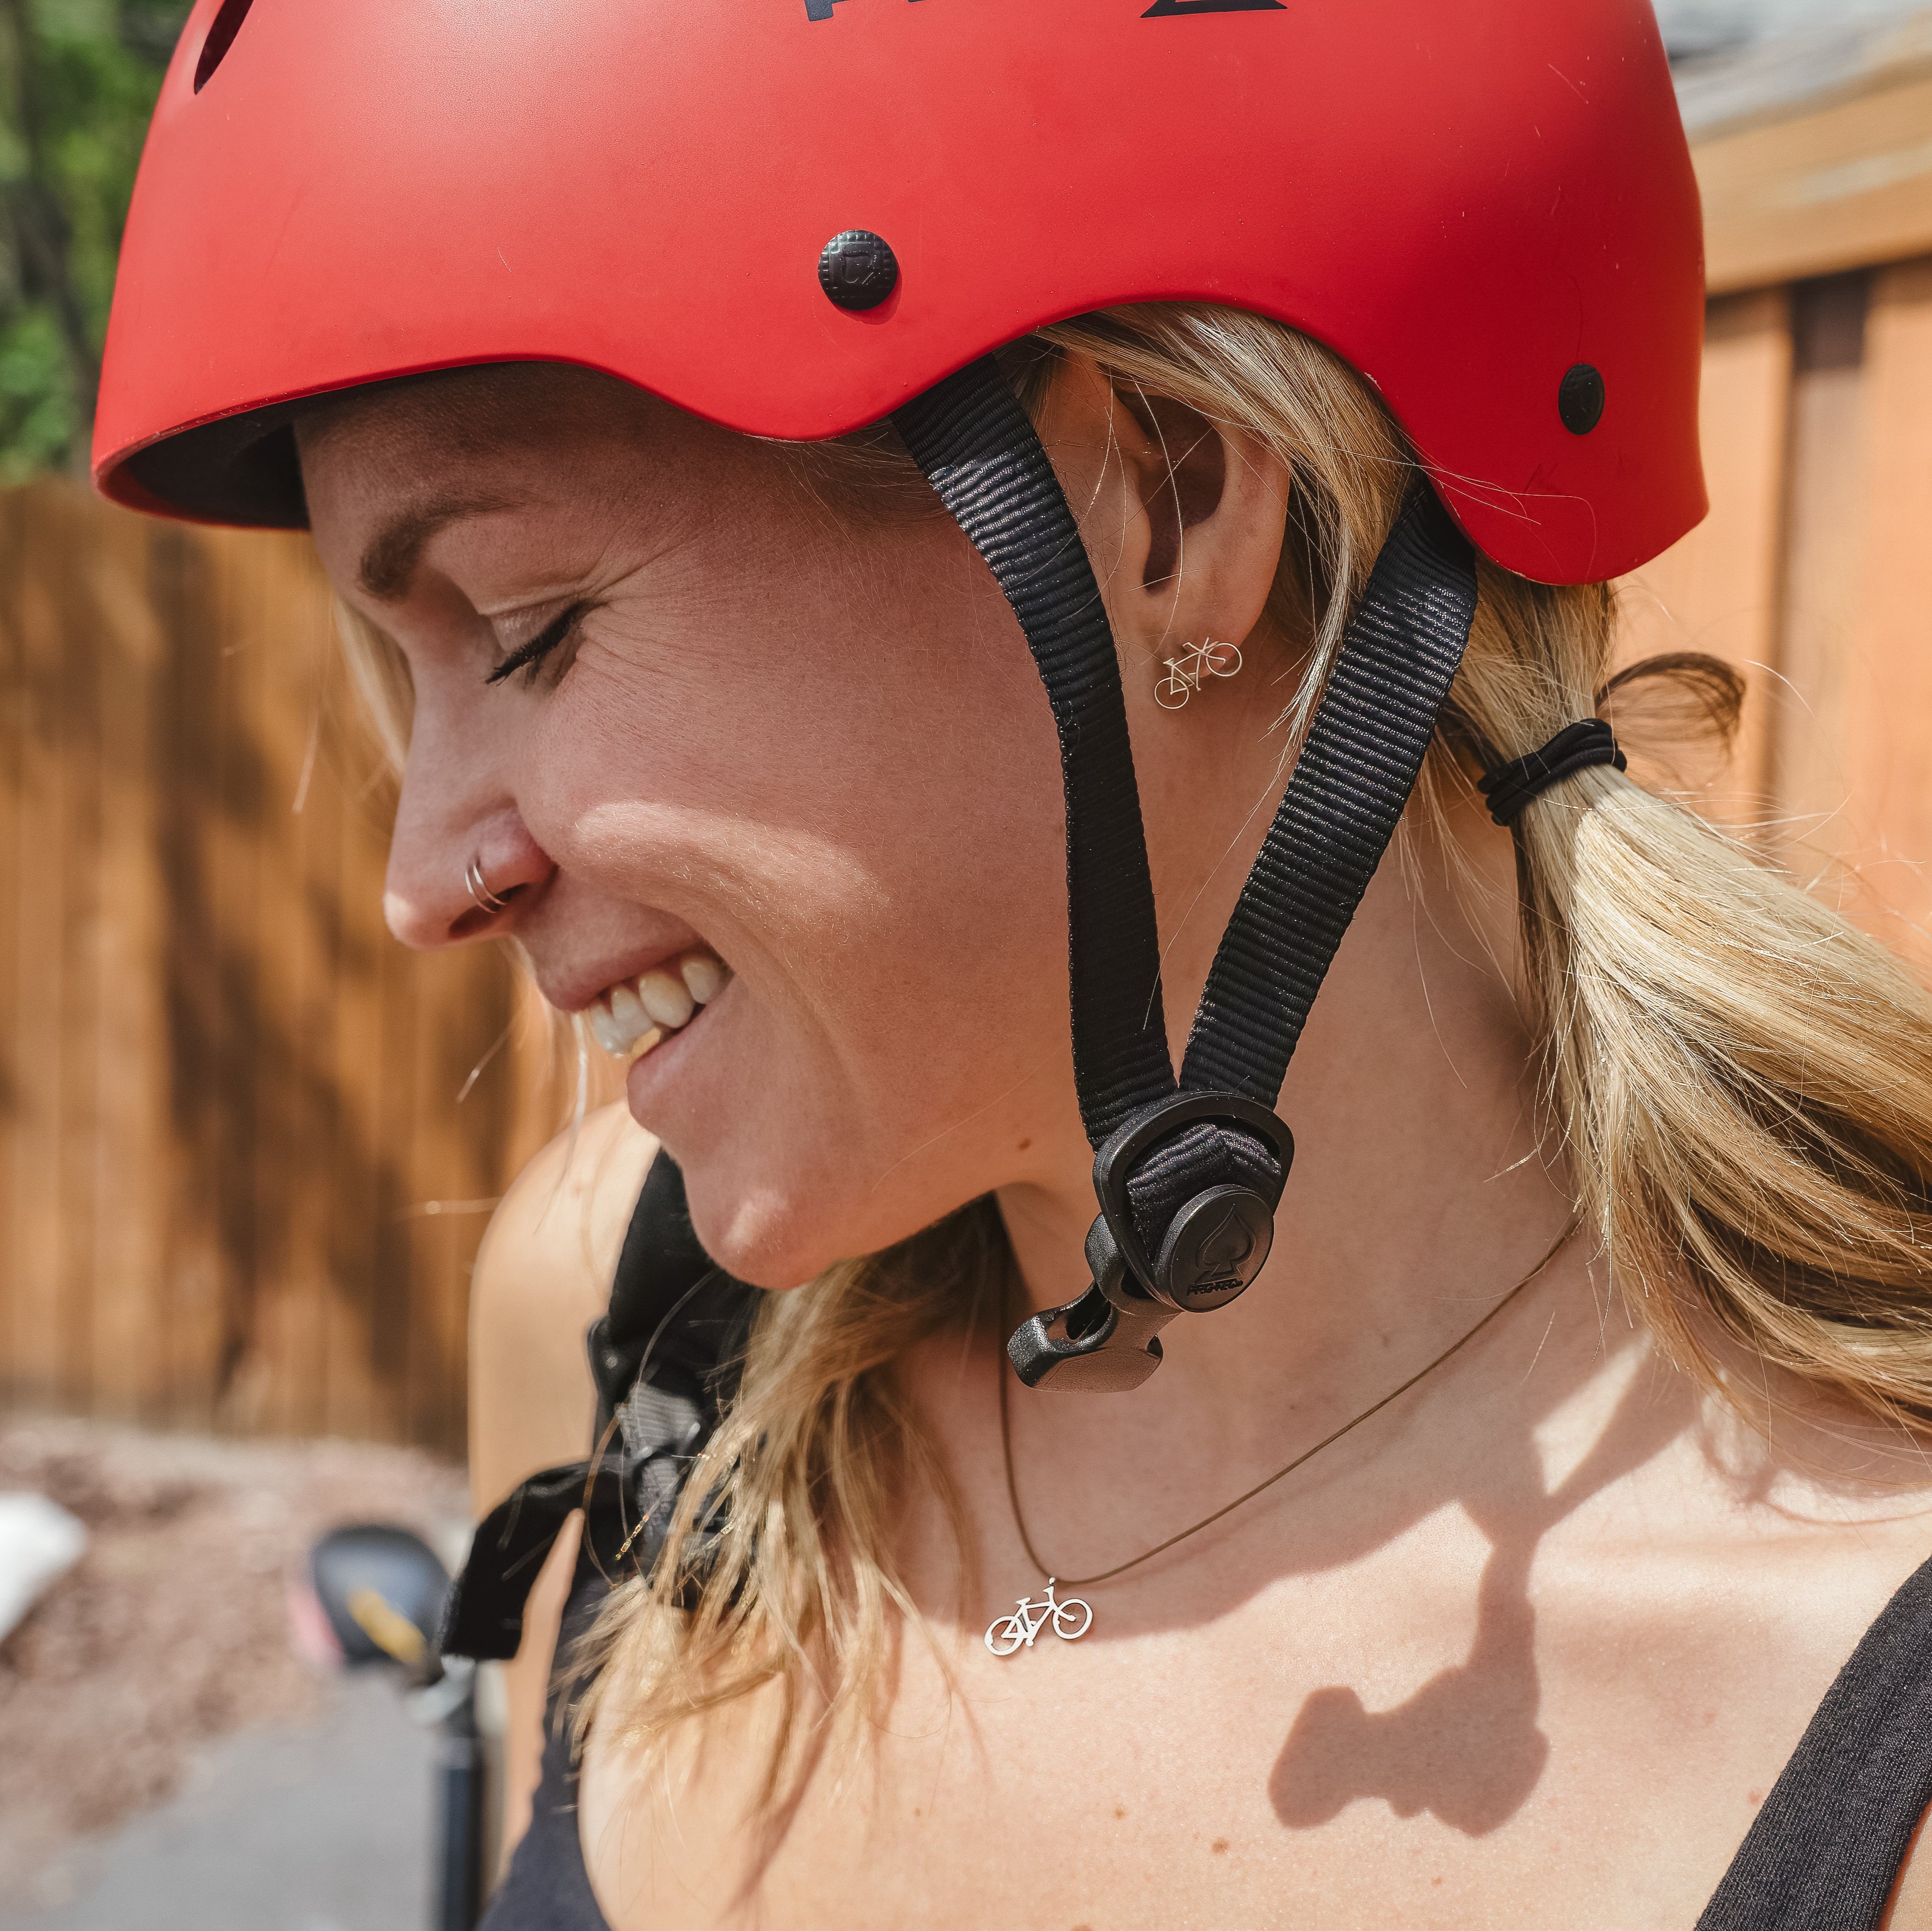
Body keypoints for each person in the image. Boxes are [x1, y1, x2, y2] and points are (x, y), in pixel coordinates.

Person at [91, 3, 1932, 1925]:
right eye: (411, 684)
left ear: (1174, 497)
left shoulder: (1869, 1776)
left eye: (530, 628)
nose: (423, 887)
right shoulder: (632, 1334)